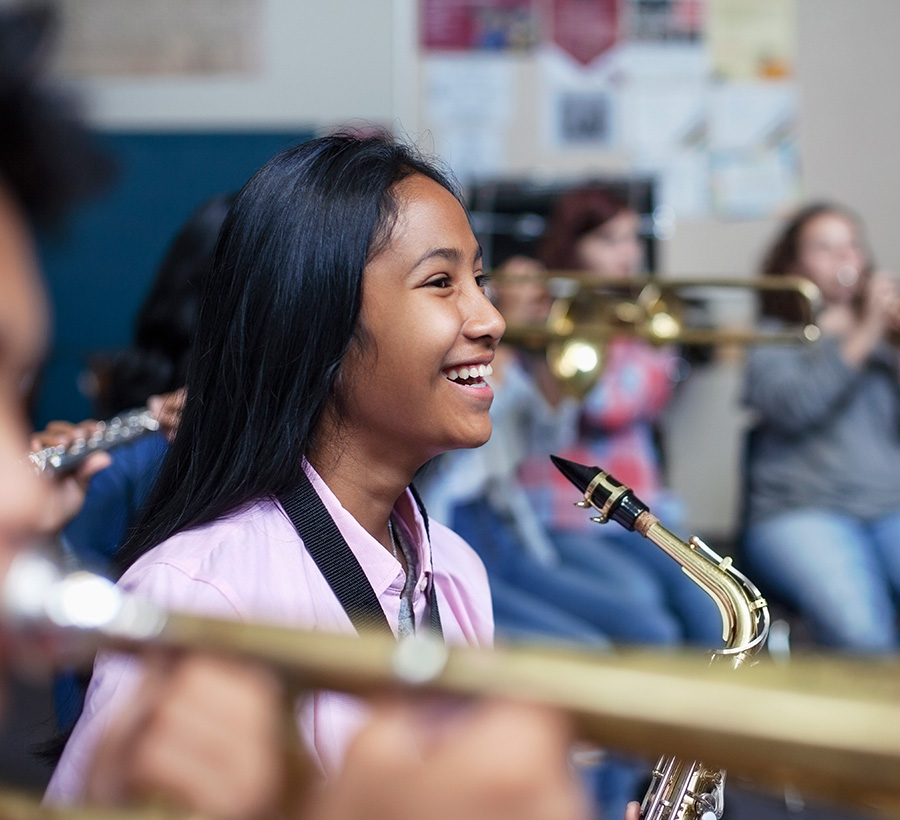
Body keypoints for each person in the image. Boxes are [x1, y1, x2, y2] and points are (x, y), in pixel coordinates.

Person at [2, 5, 600, 819]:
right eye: (440, 282)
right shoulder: (195, 595)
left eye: (480, 280)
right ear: (318, 325)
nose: (490, 319)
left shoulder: (455, 570)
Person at [419, 255, 684, 648]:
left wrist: (548, 361)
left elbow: (545, 439)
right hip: (453, 532)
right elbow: (451, 455)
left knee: (651, 627)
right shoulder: (451, 363)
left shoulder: (512, 366)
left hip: (502, 529)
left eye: (479, 278)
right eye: (445, 281)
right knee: (589, 648)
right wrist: (500, 342)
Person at [520, 185, 725, 650]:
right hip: (565, 513)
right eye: (608, 240)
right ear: (574, 246)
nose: (628, 253)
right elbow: (603, 407)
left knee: (708, 602)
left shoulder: (641, 317)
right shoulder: (547, 313)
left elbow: (637, 403)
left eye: (632, 238)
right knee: (644, 602)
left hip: (639, 507)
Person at [741, 202, 900, 653]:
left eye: (851, 245)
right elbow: (795, 408)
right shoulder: (774, 335)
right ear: (794, 264)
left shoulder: (887, 334)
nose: (844, 258)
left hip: (889, 505)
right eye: (824, 248)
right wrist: (863, 334)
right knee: (864, 634)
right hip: (799, 511)